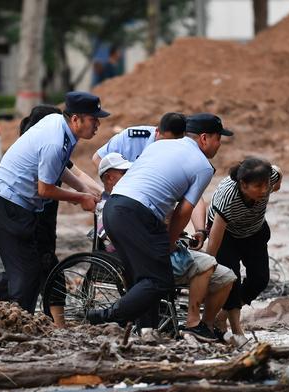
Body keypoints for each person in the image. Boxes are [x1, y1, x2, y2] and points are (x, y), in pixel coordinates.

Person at [86, 113, 233, 333]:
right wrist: (170, 242)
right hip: (138, 214)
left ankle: (148, 331)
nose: (219, 144)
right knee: (159, 280)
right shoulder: (203, 166)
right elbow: (184, 210)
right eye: (217, 138)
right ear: (204, 138)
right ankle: (111, 316)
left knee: (143, 278)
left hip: (114, 209)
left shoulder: (159, 146)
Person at [0, 104, 102, 328]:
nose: (98, 125)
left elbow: (66, 170)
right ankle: (17, 328)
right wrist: (80, 197)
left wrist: (85, 191)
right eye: (94, 120)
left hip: (16, 205)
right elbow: (45, 191)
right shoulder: (54, 141)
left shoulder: (60, 132)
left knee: (24, 270)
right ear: (75, 120)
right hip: (9, 204)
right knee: (27, 273)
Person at [92, 112, 209, 249]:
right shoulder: (132, 137)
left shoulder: (180, 153)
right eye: (164, 141)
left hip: (153, 210)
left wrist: (199, 230)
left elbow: (193, 197)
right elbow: (98, 158)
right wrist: (118, 186)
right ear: (157, 131)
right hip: (120, 200)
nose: (167, 147)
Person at [206, 157, 283, 347]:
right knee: (231, 279)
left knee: (260, 279)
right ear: (243, 184)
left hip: (254, 231)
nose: (264, 190)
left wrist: (277, 185)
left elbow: (278, 171)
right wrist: (207, 264)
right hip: (226, 234)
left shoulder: (269, 178)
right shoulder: (228, 197)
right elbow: (215, 237)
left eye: (266, 185)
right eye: (258, 186)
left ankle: (221, 316)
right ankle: (237, 331)